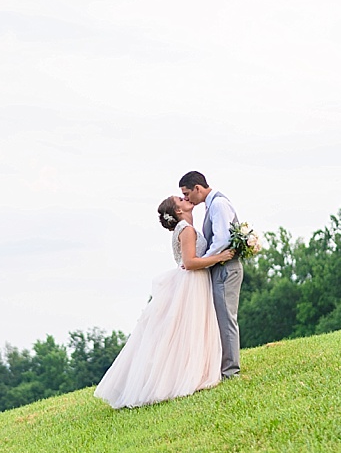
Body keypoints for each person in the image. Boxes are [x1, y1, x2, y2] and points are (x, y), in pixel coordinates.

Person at [94, 196, 235, 409]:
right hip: (192, 283)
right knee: (189, 328)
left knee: (183, 330)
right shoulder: (186, 229)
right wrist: (220, 257)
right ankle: (188, 375)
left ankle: (194, 369)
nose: (185, 198)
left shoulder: (184, 228)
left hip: (192, 281)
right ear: (178, 210)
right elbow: (189, 262)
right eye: (181, 199)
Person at [179, 170, 243, 379]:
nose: (187, 198)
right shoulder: (211, 205)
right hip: (220, 266)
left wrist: (203, 261)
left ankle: (231, 371)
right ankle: (223, 367)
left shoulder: (218, 205)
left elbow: (222, 240)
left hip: (226, 268)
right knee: (220, 318)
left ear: (198, 188)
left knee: (226, 319)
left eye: (187, 194)